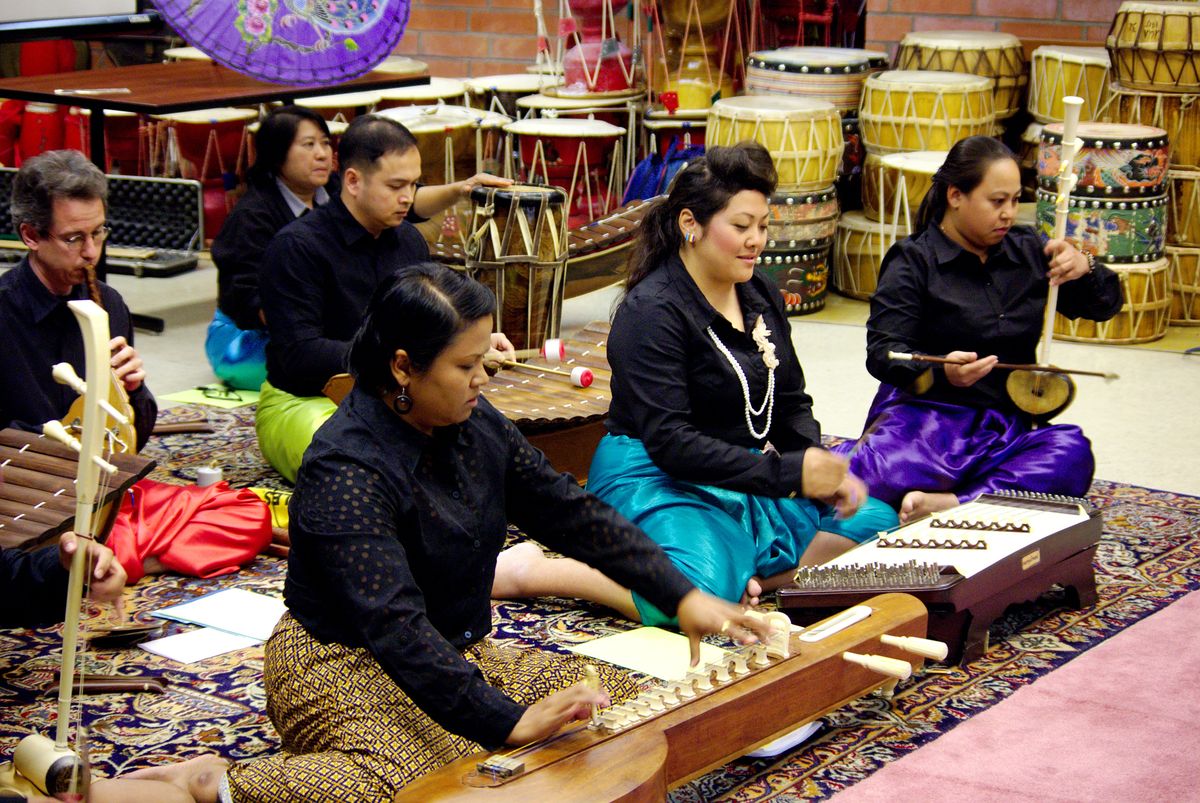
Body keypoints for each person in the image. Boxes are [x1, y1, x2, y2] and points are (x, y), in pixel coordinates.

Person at [86, 264, 770, 803]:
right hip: (337, 660)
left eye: (484, 360)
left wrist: (679, 593)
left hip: (453, 646)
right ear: (405, 366)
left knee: (620, 708)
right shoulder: (345, 466)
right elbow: (393, 626)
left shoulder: (473, 422)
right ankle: (207, 782)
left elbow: (568, 510)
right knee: (410, 788)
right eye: (466, 364)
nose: (484, 377)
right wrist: (505, 720)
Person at [586, 142, 898, 626]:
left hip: (739, 471)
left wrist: (812, 467)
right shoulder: (651, 311)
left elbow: (792, 398)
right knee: (696, 588)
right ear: (691, 224)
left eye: (763, 226)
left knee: (877, 524)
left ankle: (751, 581)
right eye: (741, 226)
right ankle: (546, 573)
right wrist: (789, 476)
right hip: (656, 473)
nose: (757, 240)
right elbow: (671, 444)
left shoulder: (759, 292)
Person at [836, 135, 1122, 523]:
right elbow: (883, 352)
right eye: (996, 201)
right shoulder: (914, 261)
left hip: (1005, 427)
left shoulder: (1029, 251)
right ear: (956, 195)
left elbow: (1103, 306)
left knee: (1070, 453)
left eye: (1015, 200)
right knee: (872, 473)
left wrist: (1084, 266)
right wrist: (942, 372)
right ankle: (982, 493)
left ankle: (954, 502)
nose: (1009, 213)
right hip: (925, 423)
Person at [255, 114, 514, 482]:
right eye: (395, 186)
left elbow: (429, 326)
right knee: (365, 467)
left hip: (394, 391)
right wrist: (387, 362)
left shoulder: (408, 240)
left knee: (485, 441)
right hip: (305, 400)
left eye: (412, 184)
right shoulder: (296, 247)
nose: (408, 197)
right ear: (353, 181)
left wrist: (471, 344)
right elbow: (299, 355)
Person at [0, 149, 156, 452]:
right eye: (73, 238)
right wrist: (68, 439)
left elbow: (129, 444)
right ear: (31, 235)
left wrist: (132, 392)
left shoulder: (109, 305)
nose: (91, 252)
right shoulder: (4, 313)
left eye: (97, 232)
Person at [205, 106, 338, 391]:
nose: (322, 154)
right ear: (277, 155)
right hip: (247, 337)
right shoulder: (252, 216)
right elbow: (243, 298)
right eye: (308, 144)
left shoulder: (335, 194)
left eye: (325, 143)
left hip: (316, 326)